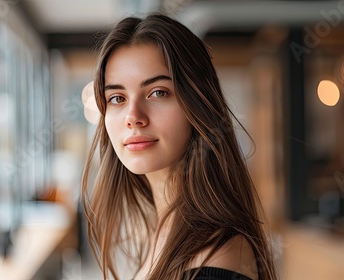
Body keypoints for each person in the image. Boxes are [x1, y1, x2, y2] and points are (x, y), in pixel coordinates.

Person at [82, 13, 278, 280]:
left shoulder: (215, 258)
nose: (133, 116)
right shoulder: (164, 234)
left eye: (158, 92)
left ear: (198, 105)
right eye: (117, 98)